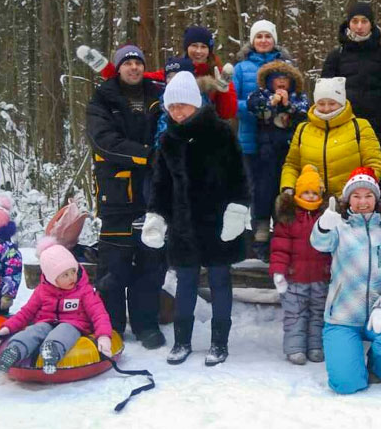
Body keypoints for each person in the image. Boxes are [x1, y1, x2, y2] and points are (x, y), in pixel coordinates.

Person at [140, 72, 249, 366]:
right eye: (171, 107)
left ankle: (219, 343)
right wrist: (156, 217)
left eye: (182, 106)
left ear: (195, 103)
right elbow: (161, 185)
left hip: (218, 223)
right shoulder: (168, 140)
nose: (177, 112)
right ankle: (182, 341)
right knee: (185, 281)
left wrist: (238, 210)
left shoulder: (221, 133)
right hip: (183, 226)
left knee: (219, 280)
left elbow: (240, 178)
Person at [85, 44, 166, 349]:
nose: (133, 67)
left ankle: (146, 324)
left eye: (138, 62)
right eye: (127, 63)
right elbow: (104, 142)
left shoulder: (157, 96)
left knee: (151, 262)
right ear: (117, 68)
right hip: (116, 195)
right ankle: (112, 324)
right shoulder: (102, 99)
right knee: (114, 266)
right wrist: (147, 155)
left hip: (154, 194)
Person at [310, 167, 381, 394]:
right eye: (356, 196)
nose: (362, 201)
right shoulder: (339, 228)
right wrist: (324, 225)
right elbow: (319, 243)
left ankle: (377, 366)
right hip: (343, 316)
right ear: (349, 200)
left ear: (376, 199)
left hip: (377, 313)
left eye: (368, 196)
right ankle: (351, 363)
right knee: (346, 385)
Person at [0, 237, 113, 374]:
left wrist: (103, 336)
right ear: (52, 278)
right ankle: (14, 351)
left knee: (64, 330)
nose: (72, 277)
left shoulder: (84, 290)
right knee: (35, 330)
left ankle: (51, 353)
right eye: (65, 275)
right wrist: (7, 328)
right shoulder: (42, 290)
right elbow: (26, 312)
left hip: (74, 324)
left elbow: (99, 314)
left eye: (73, 271)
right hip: (46, 322)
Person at [78, 26, 238, 121]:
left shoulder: (219, 74)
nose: (198, 51)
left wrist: (223, 90)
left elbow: (228, 113)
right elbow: (136, 79)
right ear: (186, 47)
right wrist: (106, 68)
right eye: (194, 45)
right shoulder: (175, 70)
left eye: (203, 47)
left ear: (209, 50)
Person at [233, 20, 294, 248]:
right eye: (259, 37)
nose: (263, 41)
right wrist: (257, 109)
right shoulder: (241, 68)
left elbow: (296, 95)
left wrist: (284, 109)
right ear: (252, 40)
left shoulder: (285, 65)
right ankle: (259, 230)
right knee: (256, 186)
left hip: (280, 138)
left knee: (279, 184)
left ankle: (282, 233)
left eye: (268, 36)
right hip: (251, 137)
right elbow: (233, 102)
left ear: (274, 40)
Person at [280, 77, 381, 198]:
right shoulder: (303, 129)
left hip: (350, 203)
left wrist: (357, 193)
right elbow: (292, 165)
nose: (326, 109)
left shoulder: (360, 126)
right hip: (311, 201)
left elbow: (375, 164)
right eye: (321, 103)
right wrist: (288, 188)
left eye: (332, 103)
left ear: (341, 102)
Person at [246, 61, 309, 259]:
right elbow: (253, 107)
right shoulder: (260, 95)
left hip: (290, 154)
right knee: (263, 193)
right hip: (265, 155)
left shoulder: (299, 98)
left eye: (285, 80)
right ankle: (261, 238)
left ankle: (286, 238)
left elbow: (303, 113)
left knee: (286, 195)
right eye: (277, 80)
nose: (281, 83)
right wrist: (272, 103)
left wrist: (287, 105)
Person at [270, 165, 331, 365]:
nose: (311, 196)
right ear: (297, 192)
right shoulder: (289, 218)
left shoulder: (326, 217)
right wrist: (279, 272)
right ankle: (295, 348)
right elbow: (280, 247)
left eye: (314, 192)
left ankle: (315, 346)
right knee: (295, 314)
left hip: (321, 277)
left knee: (317, 314)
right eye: (306, 192)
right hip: (295, 278)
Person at [321, 2, 381, 148]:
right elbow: (325, 96)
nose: (359, 26)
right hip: (343, 130)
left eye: (364, 21)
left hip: (377, 131)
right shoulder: (336, 56)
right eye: (355, 21)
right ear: (348, 24)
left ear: (371, 24)